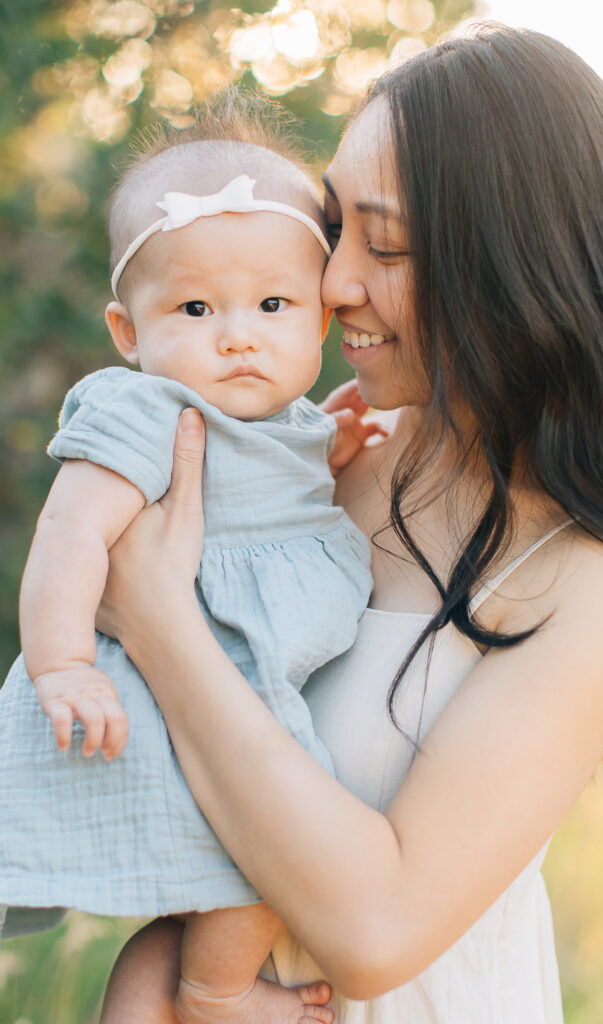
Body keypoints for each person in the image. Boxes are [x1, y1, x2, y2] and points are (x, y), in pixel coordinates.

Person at [35, 19, 603, 1024]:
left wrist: (156, 620)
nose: (331, 285)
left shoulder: (602, 572)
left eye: (382, 244)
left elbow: (375, 930)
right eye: (333, 230)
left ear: (510, 264)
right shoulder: (315, 460)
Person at [0, 97, 384, 1024]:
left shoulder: (287, 426)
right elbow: (71, 536)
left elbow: (262, 506)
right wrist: (61, 664)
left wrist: (316, 463)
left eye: (272, 304)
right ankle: (216, 993)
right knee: (282, 848)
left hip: (236, 684)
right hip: (176, 695)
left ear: (319, 319)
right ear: (129, 333)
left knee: (271, 848)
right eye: (196, 307)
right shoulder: (141, 413)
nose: (238, 333)